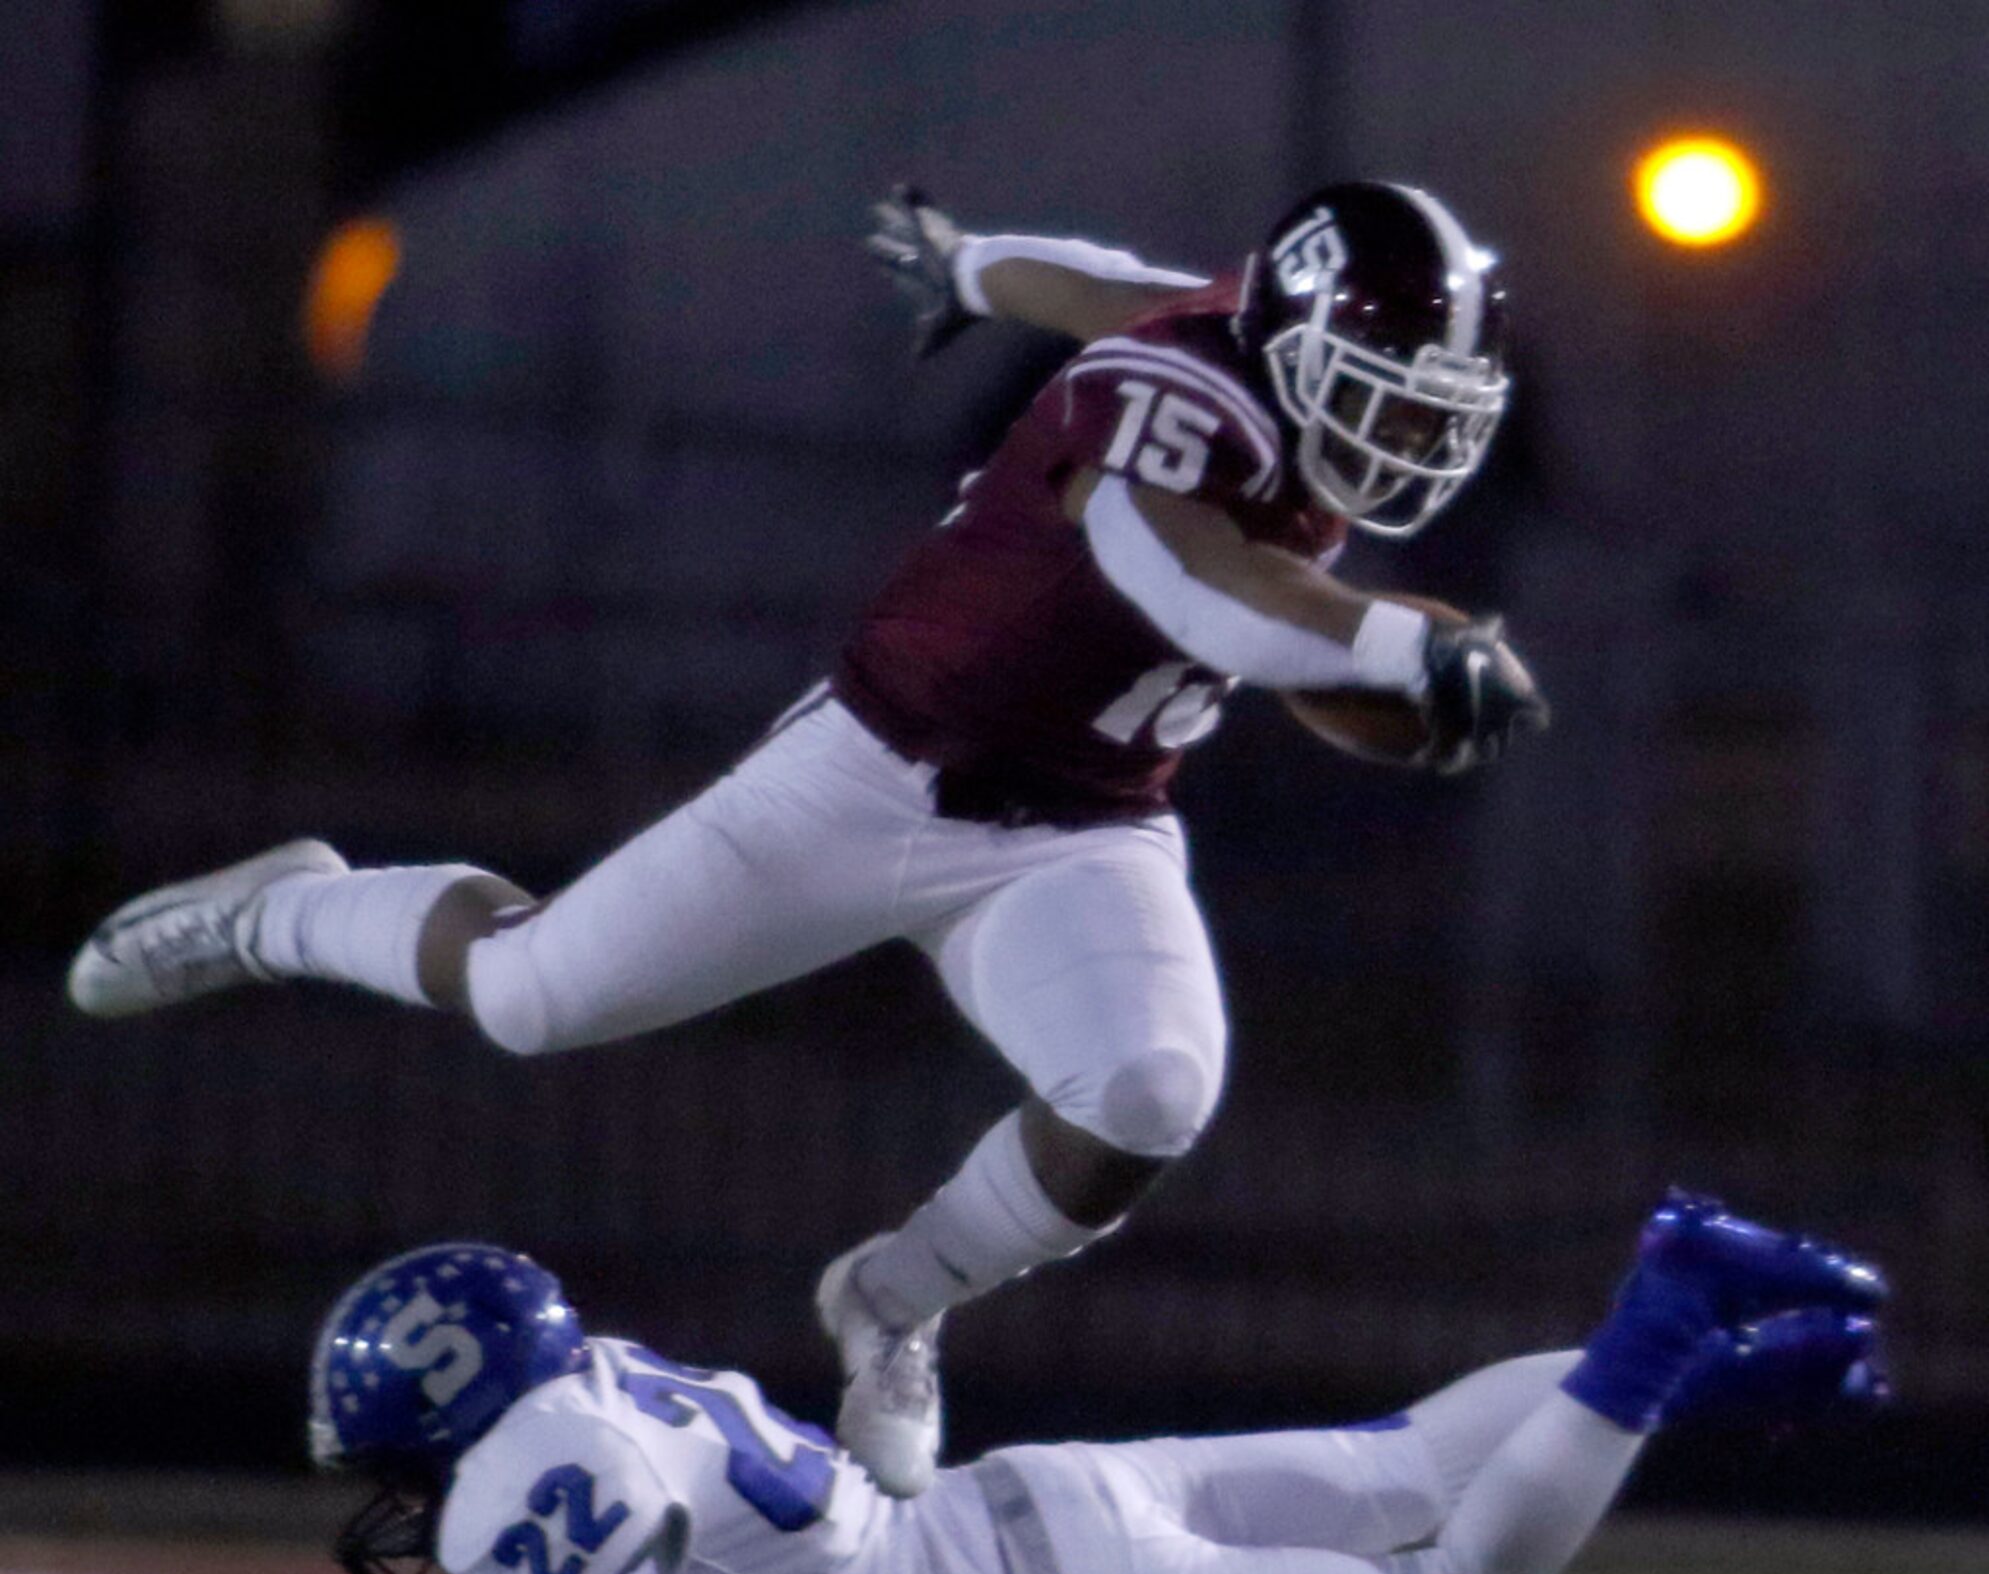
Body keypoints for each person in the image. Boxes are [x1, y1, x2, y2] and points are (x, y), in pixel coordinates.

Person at [70, 181, 1549, 1499]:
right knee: (529, 996)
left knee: (1146, 1092)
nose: (1407, 439)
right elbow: (1208, 595)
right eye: (1387, 397)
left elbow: (1106, 280)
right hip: (868, 772)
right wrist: (1394, 645)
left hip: (1079, 821)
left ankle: (894, 1301)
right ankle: (282, 911)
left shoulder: (1228, 334)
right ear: (1293, 346)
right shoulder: (1168, 402)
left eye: (1432, 412)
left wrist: (972, 270)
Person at [311, 1192, 1885, 1574]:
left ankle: (1674, 1305)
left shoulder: (532, 1450)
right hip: (1036, 1509)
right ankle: (1743, 1349)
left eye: (398, 1446)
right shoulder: (607, 1375)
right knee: (1403, 1457)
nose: (402, 1483)